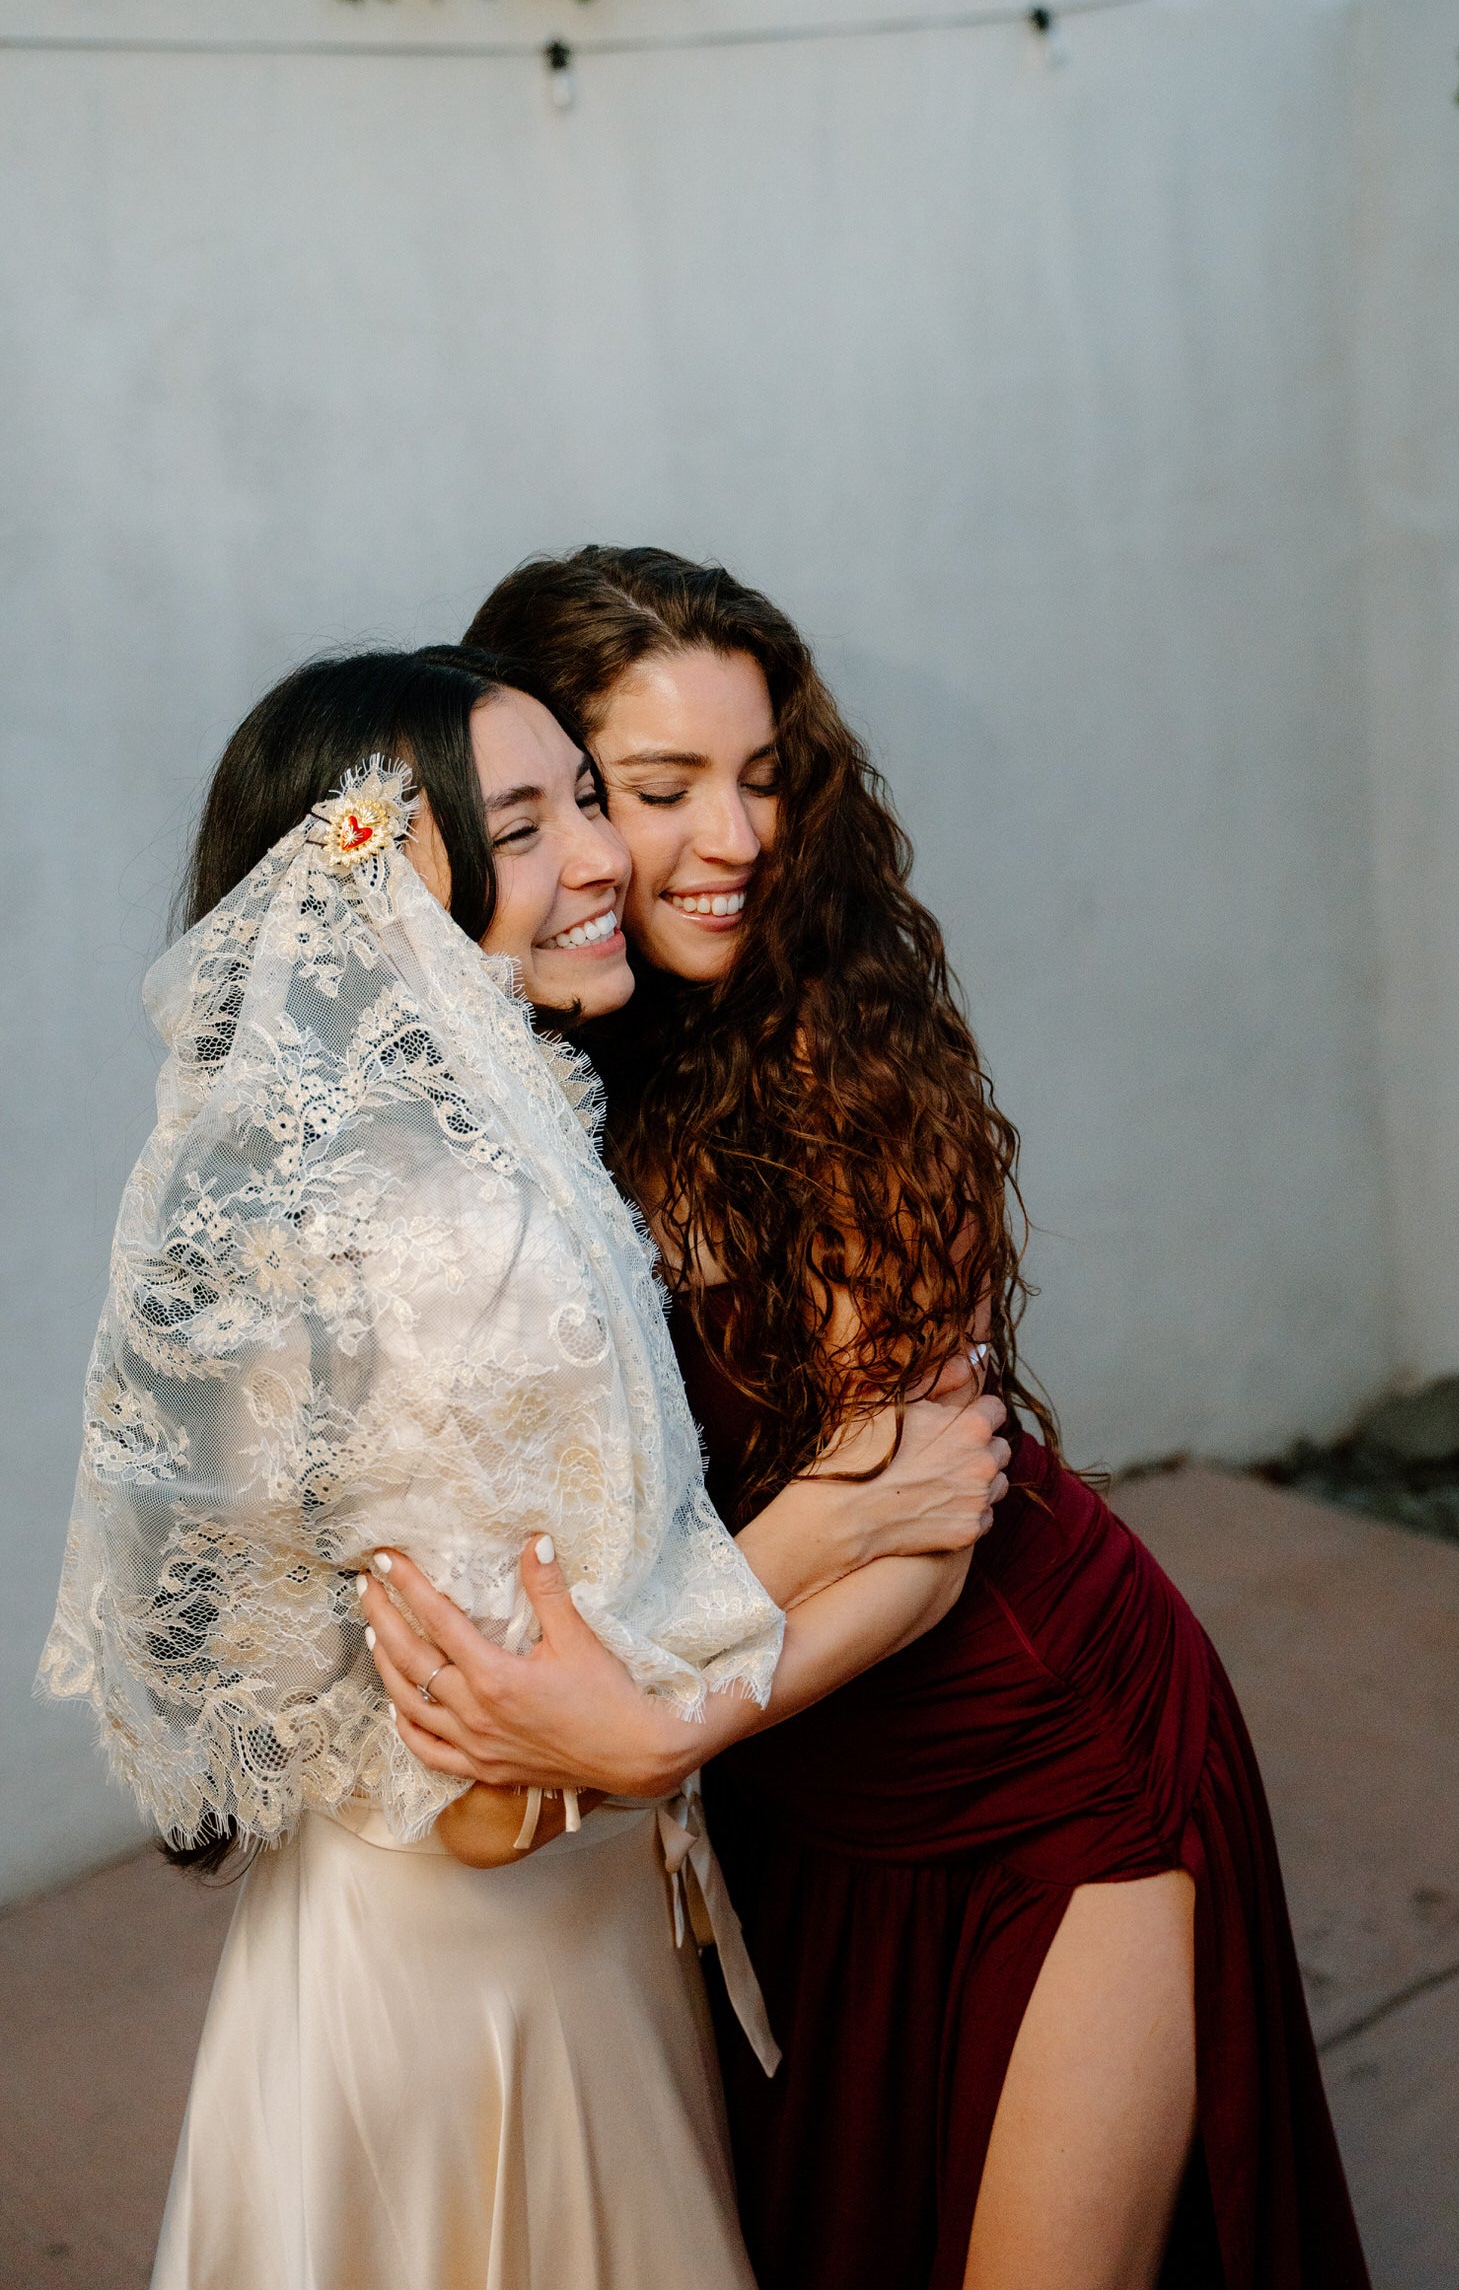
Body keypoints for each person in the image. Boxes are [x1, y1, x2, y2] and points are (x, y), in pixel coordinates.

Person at [364, 555, 1372, 2290]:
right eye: (664, 790)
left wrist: (653, 1734)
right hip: (783, 1799)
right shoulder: (529, 1067)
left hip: (1045, 1764)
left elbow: (917, 1533)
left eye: (761, 779)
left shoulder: (836, 1051)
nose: (738, 837)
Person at [39, 643, 1009, 2290]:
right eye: (523, 822)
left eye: (584, 798)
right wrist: (844, 1513)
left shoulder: (471, 1139)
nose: (602, 859)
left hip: (529, 1930)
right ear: (372, 872)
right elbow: (494, 1757)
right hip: (472, 1973)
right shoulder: (447, 1227)